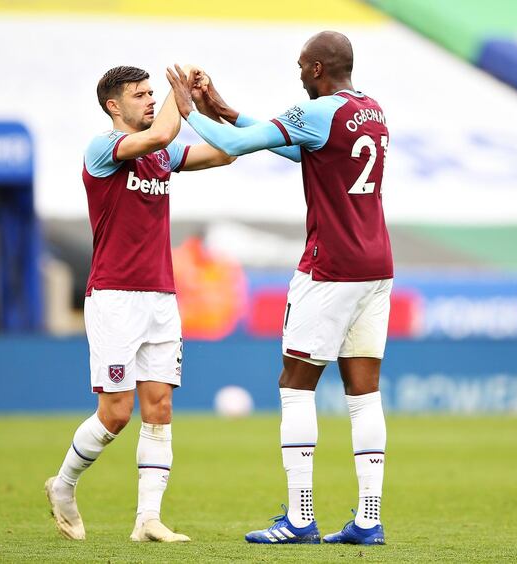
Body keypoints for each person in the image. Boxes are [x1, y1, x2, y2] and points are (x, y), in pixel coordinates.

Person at [166, 31, 392, 546]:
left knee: (295, 386)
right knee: (364, 392)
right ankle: (368, 518)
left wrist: (188, 111)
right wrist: (222, 107)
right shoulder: (372, 110)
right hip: (377, 264)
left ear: (316, 70)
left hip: (330, 266)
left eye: (300, 66)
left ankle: (299, 517)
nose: (297, 74)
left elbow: (238, 146)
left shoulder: (318, 111)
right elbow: (296, 149)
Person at [45, 65, 235, 543]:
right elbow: (164, 130)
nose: (151, 100)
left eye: (154, 92)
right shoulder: (103, 149)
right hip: (114, 297)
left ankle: (147, 520)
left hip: (161, 298)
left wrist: (210, 101)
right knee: (116, 413)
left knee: (160, 407)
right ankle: (63, 484)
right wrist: (179, 93)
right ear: (114, 106)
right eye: (140, 94)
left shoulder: (162, 154)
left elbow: (226, 154)